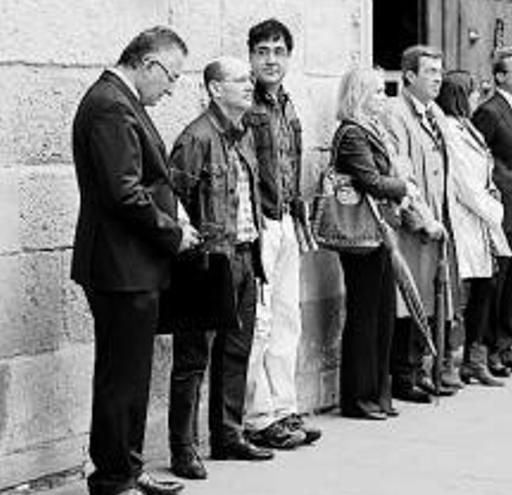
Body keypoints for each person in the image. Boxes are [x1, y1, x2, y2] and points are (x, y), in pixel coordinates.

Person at [71, 26, 196, 495]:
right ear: (149, 64)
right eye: (172, 77)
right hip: (119, 266)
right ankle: (112, 478)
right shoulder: (109, 104)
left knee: (130, 374)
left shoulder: (120, 101)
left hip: (130, 264)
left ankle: (126, 467)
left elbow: (140, 184)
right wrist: (174, 232)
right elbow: (124, 193)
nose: (171, 88)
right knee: (120, 377)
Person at [167, 57, 273, 480]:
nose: (250, 84)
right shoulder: (195, 138)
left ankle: (227, 435)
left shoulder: (243, 134)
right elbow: (172, 201)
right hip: (208, 261)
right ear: (214, 89)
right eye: (240, 80)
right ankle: (183, 448)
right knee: (193, 359)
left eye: (249, 79)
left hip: (246, 255)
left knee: (237, 350)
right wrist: (191, 251)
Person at [242, 18, 322, 450]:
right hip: (260, 223)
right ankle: (258, 417)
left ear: (288, 57)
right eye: (262, 52)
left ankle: (285, 408)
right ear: (251, 58)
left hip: (287, 220)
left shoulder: (286, 104)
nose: (271, 59)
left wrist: (299, 219)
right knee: (261, 321)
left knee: (288, 319)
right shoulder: (247, 105)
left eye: (278, 51)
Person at [333, 67, 420, 418]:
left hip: (380, 229)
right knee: (365, 316)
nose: (382, 99)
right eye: (376, 93)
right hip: (362, 235)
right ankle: (359, 397)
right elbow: (370, 180)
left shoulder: (371, 130)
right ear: (359, 96)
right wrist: (404, 187)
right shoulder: (353, 133)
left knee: (381, 313)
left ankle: (378, 393)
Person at [383, 45, 451, 402]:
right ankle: (403, 376)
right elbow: (402, 170)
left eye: (440, 72)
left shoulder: (435, 113)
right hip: (412, 222)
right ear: (409, 76)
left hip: (434, 219)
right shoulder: (396, 113)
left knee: (424, 298)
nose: (438, 78)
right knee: (406, 298)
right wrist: (421, 219)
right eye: (430, 72)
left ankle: (418, 367)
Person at [437, 70, 511, 387]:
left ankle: (474, 359)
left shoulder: (467, 128)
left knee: (486, 285)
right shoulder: (450, 130)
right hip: (467, 218)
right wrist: (495, 209)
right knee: (460, 292)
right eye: (473, 91)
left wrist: (492, 191)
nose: (477, 97)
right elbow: (466, 185)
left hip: (481, 218)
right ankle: (447, 360)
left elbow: (483, 171)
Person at [471, 46, 512, 377]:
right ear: (499, 76)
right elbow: (478, 161)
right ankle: (488, 348)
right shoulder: (490, 111)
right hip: (500, 209)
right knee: (496, 282)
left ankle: (506, 345)